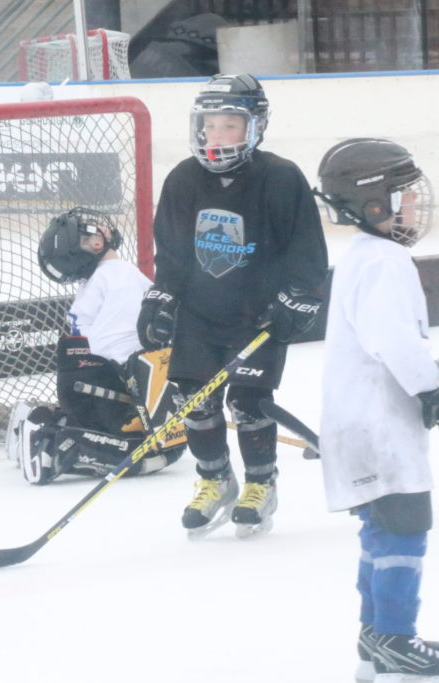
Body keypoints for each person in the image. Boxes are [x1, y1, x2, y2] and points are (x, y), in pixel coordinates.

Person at [136, 73, 329, 538]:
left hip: (256, 317)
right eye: (210, 125)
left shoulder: (280, 177)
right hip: (200, 315)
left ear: (255, 126)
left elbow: (306, 252)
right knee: (194, 400)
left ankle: (261, 484)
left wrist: (297, 297)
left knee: (248, 402)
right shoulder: (184, 178)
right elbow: (175, 255)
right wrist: (162, 297)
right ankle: (214, 479)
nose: (217, 136)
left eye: (230, 126)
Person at [315, 138, 439, 681]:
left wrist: (433, 379)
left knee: (381, 528)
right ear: (373, 204)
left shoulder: (363, 256)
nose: (413, 205)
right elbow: (389, 337)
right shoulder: (383, 260)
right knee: (404, 526)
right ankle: (397, 637)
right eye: (402, 196)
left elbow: (388, 338)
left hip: (359, 420)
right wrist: (434, 390)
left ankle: (374, 635)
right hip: (379, 426)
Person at [7, 207, 185, 484]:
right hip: (107, 393)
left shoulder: (98, 280)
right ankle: (53, 447)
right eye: (88, 230)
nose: (99, 227)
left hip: (85, 390)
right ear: (95, 243)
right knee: (162, 452)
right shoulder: (119, 276)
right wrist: (153, 400)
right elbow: (121, 346)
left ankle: (42, 424)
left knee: (163, 448)